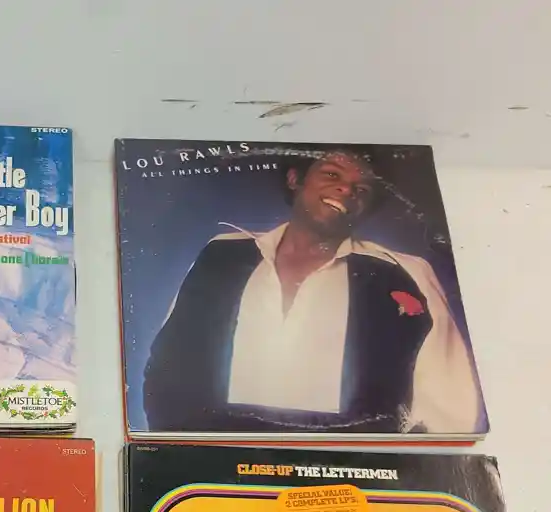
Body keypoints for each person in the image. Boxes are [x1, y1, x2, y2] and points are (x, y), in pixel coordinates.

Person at [142, 149, 482, 435]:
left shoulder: (402, 272)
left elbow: (448, 398)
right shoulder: (223, 254)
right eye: (332, 174)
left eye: (362, 188)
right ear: (296, 180)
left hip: (345, 470)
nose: (347, 189)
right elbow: (169, 364)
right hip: (218, 462)